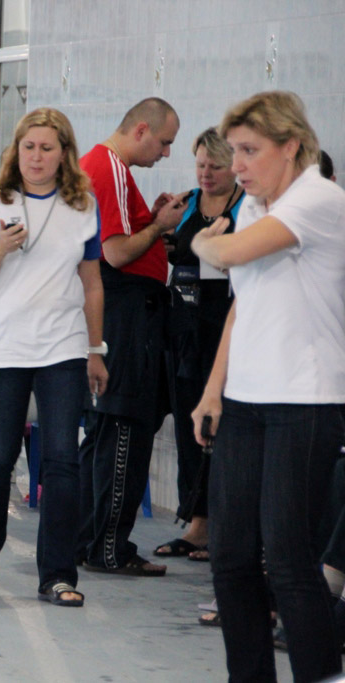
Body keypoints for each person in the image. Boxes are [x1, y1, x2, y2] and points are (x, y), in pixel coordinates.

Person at [191, 90, 345, 683]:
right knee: (230, 559)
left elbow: (225, 253)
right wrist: (213, 391)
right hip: (245, 403)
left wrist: (203, 239)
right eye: (234, 151)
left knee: (287, 562)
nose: (237, 165)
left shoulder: (317, 200)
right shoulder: (256, 207)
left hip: (305, 403)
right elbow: (242, 306)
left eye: (250, 151)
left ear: (291, 146)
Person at [0, 108, 106, 606]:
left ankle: (58, 574)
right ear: (15, 151)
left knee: (62, 458)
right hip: (3, 348)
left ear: (64, 154)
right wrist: (0, 247)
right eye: (28, 147)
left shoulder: (83, 206)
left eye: (46, 148)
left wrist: (95, 349)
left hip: (63, 346)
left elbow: (92, 283)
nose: (36, 157)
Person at [76, 97, 187, 577]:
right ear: (141, 130)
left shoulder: (103, 167)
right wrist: (159, 227)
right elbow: (117, 253)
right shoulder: (111, 169)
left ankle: (89, 541)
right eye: (164, 142)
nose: (165, 153)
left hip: (120, 315)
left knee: (105, 435)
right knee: (125, 430)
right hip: (126, 317)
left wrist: (149, 221)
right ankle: (109, 548)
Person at [153, 128, 244, 563]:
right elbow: (170, 250)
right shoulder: (187, 202)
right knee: (190, 427)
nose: (206, 174)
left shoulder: (247, 207)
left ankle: (228, 525)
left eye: (216, 167)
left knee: (224, 428)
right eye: (201, 165)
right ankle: (198, 523)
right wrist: (161, 230)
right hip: (183, 327)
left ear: (236, 167)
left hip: (225, 327)